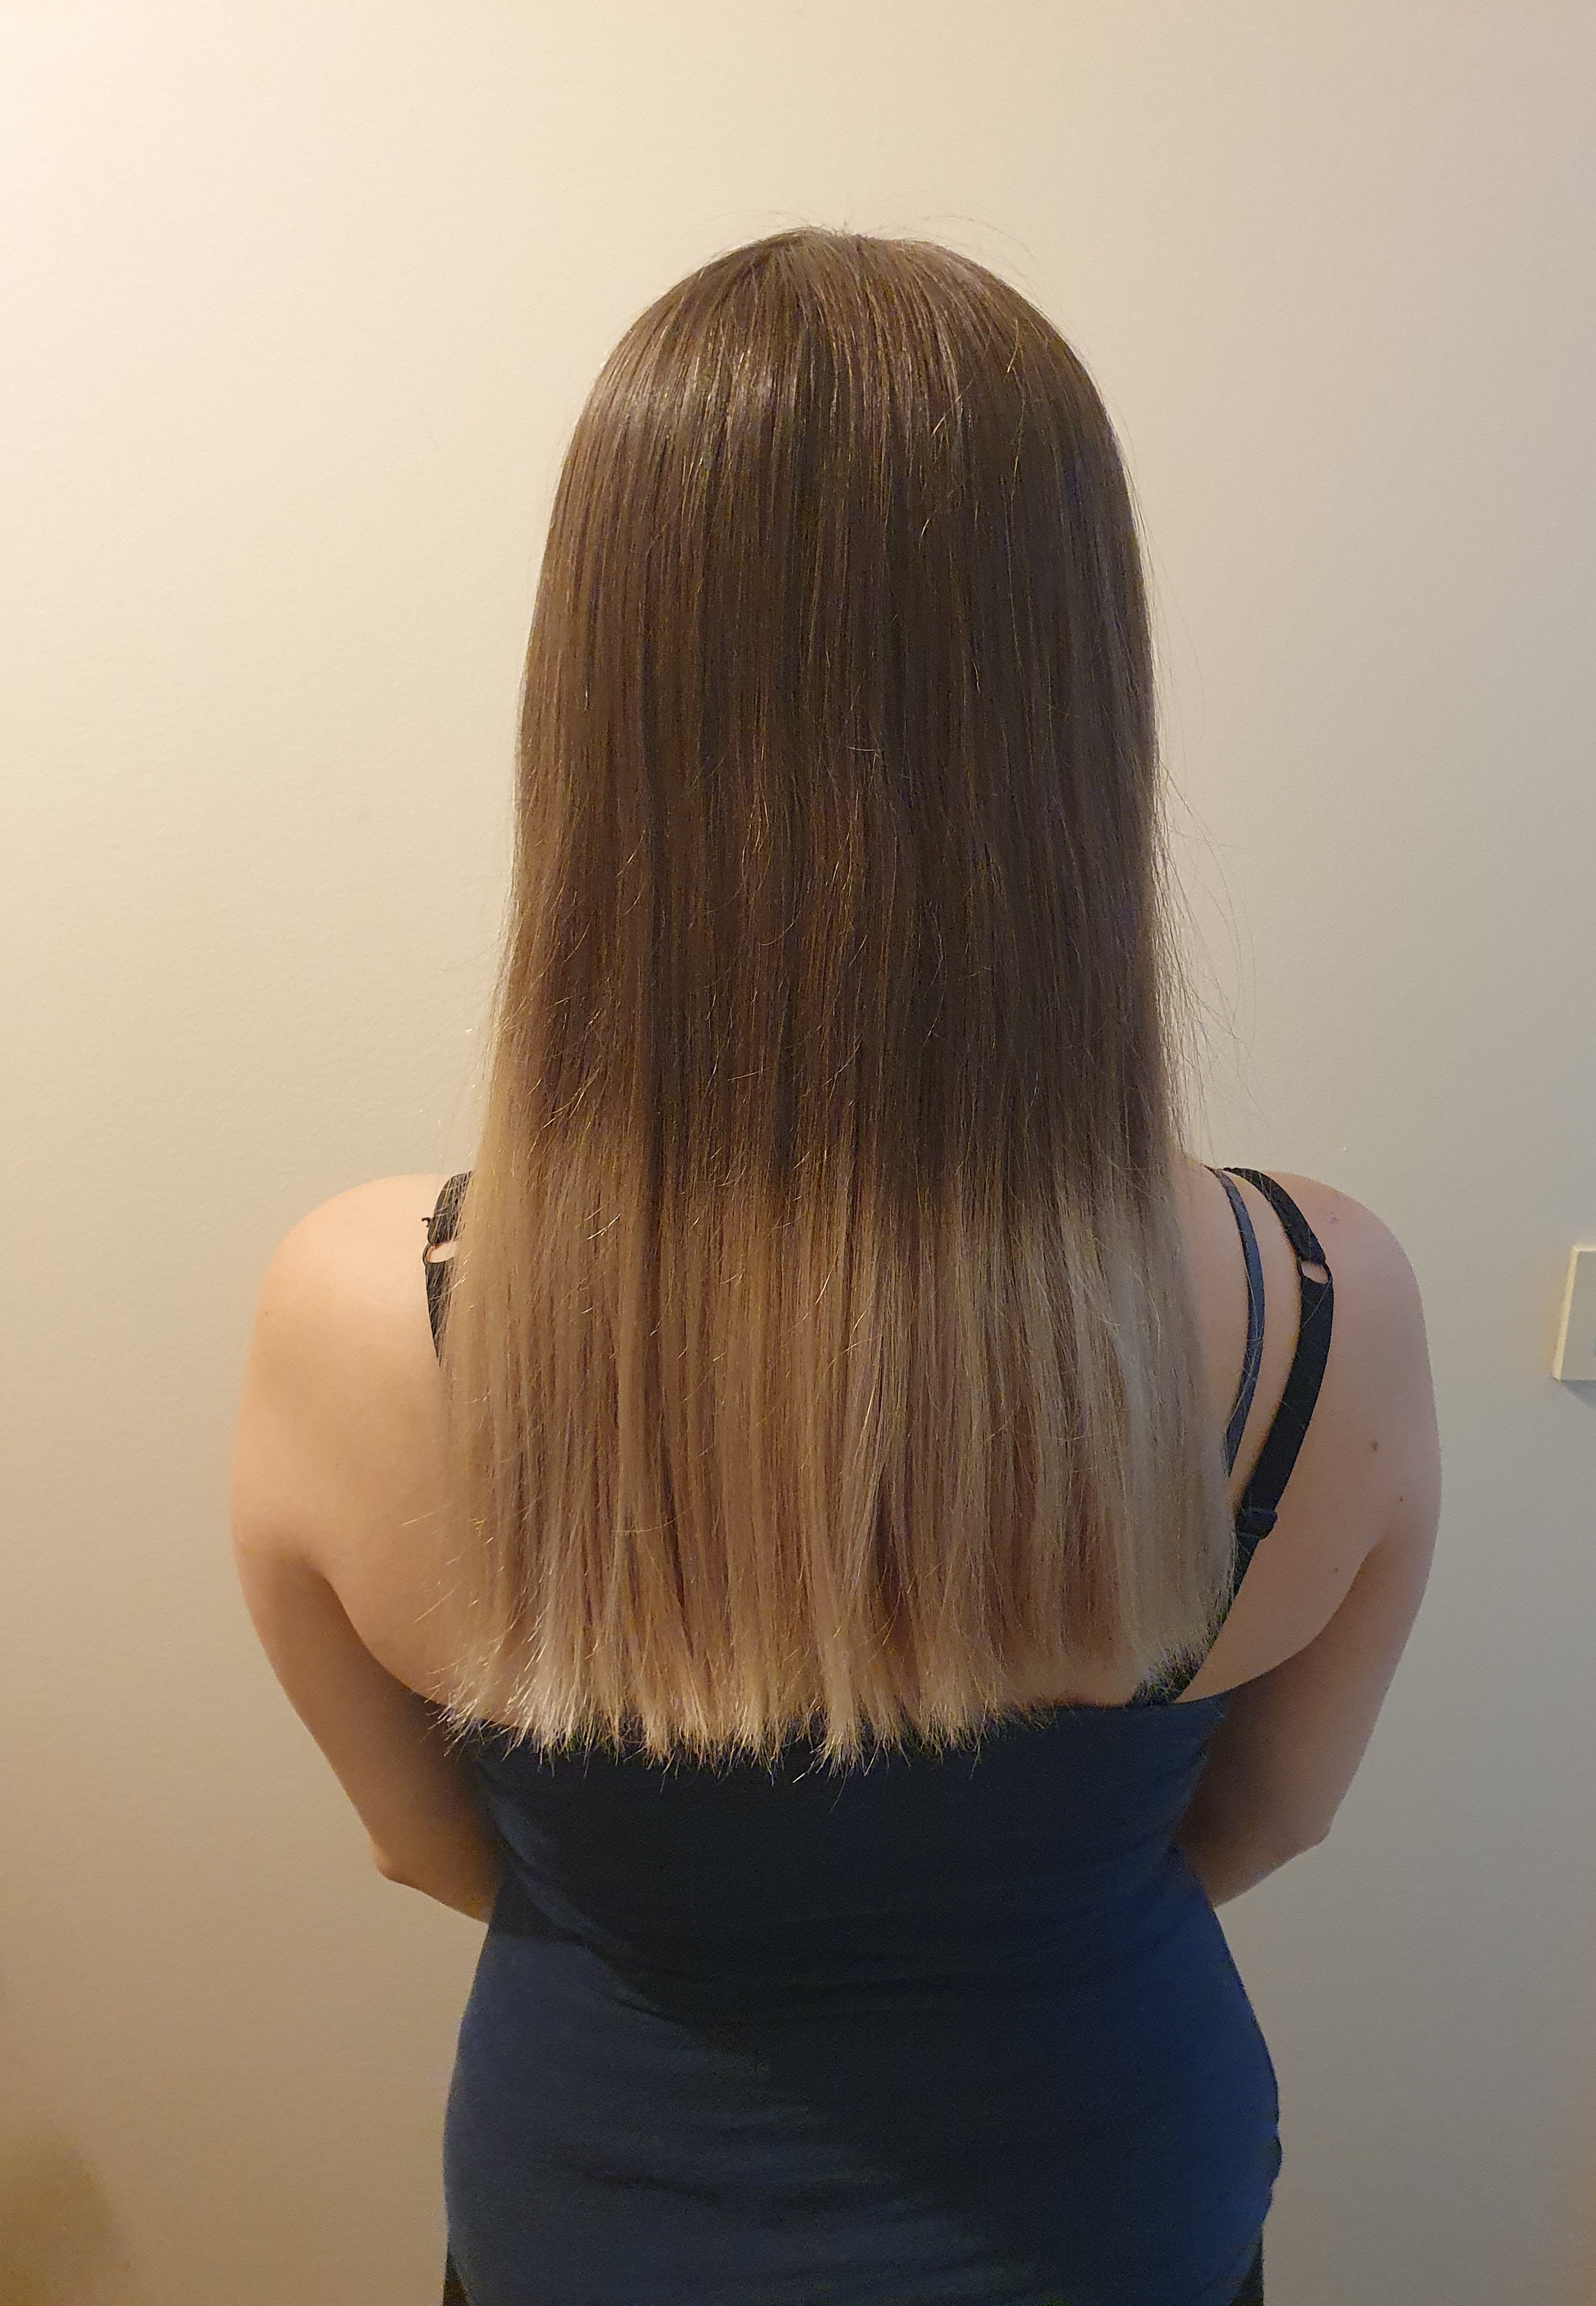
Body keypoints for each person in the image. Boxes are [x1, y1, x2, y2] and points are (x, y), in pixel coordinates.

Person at [231, 228, 1440, 2306]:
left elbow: (426, 1845)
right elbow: (1273, 1821)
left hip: (595, 2223)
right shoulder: (1316, 1303)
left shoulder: (364, 1310)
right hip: (1111, 2215)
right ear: (1081, 699)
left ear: (599, 693)